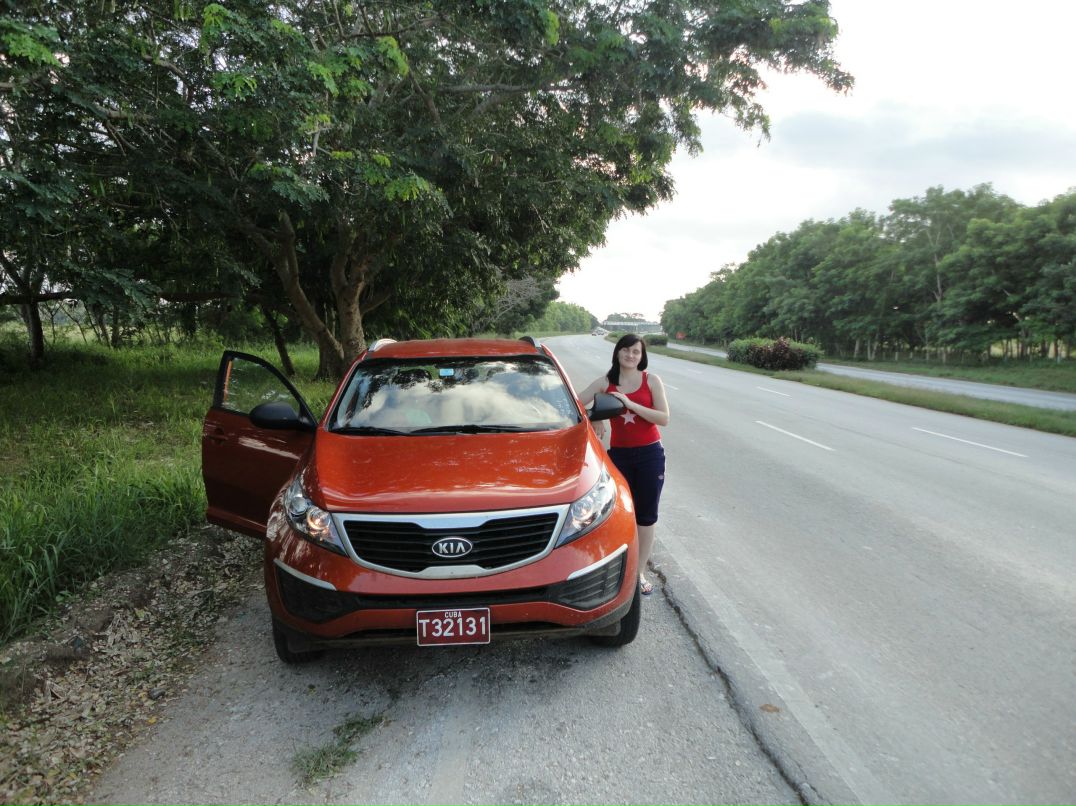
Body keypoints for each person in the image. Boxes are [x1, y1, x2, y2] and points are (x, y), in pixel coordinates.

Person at [578, 334, 670, 596]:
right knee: (615, 514)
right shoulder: (606, 382)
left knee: (646, 516)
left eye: (636, 352)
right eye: (626, 350)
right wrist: (595, 417)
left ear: (642, 356)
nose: (631, 356)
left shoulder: (651, 380)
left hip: (650, 454)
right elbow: (574, 404)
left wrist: (630, 404)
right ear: (617, 352)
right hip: (619, 456)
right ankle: (612, 571)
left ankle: (638, 573)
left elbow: (664, 418)